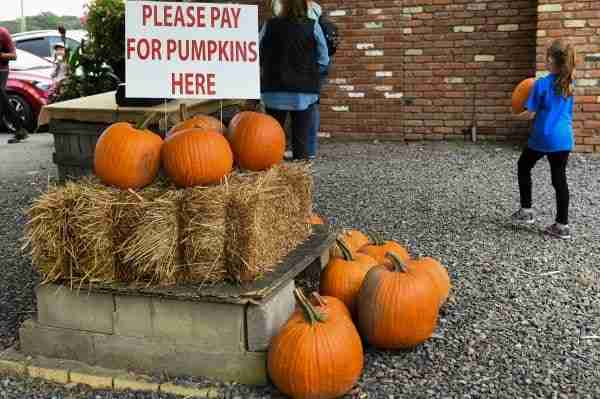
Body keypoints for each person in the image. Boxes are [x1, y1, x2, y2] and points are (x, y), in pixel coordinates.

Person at [511, 39, 576, 240]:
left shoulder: (541, 84)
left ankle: (526, 211)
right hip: (564, 138)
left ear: (550, 59)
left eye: (547, 57)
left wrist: (513, 116)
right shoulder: (569, 83)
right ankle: (562, 225)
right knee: (559, 179)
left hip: (543, 137)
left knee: (524, 165)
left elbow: (530, 113)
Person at [252, 0, 329, 160]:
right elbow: (324, 59)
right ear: (304, 6)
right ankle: (300, 165)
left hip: (273, 89)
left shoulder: (269, 25)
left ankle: (273, 166)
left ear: (282, 5)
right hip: (303, 92)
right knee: (301, 141)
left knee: (272, 137)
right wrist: (311, 73)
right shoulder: (312, 25)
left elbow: (255, 53)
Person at [0, 26, 28, 144]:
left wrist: (1, 55)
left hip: (1, 70)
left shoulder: (3, 33)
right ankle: (20, 130)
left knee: (1, 96)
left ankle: (20, 129)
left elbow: (13, 55)